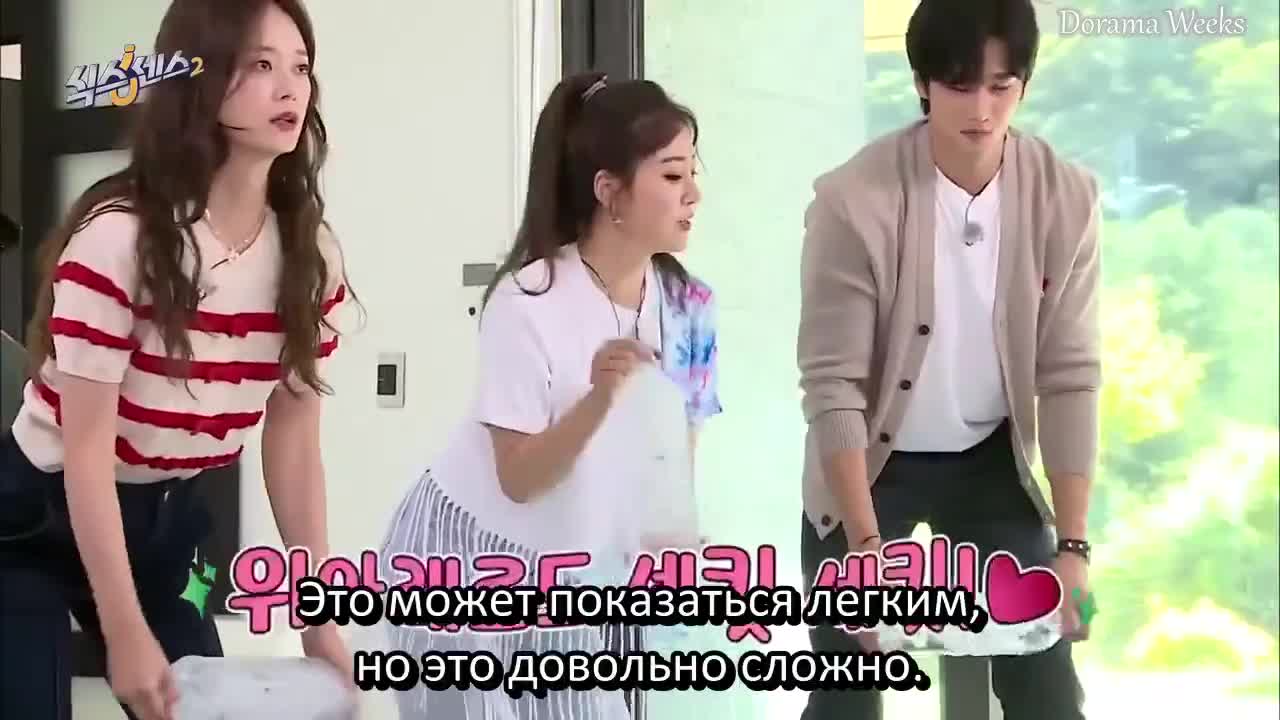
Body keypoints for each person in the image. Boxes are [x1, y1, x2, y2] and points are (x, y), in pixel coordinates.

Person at [0, 1, 357, 719]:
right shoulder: (119, 241)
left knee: (200, 708)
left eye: (300, 68)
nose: (289, 88)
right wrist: (123, 630)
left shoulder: (309, 257)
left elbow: (293, 440)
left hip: (168, 517)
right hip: (40, 513)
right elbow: (86, 450)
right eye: (260, 65)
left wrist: (317, 616)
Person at [376, 71, 721, 719]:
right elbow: (518, 478)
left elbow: (678, 460)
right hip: (464, 562)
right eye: (673, 175)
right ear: (610, 191)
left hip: (571, 571)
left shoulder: (690, 307)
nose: (693, 193)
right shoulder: (527, 299)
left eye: (693, 173)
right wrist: (599, 400)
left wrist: (674, 542)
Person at [795, 1, 1099, 718]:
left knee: (1047, 684)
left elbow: (1069, 374)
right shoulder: (853, 201)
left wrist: (1074, 546)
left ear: (1024, 84)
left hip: (991, 461)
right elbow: (834, 387)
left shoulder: (1066, 197)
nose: (982, 109)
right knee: (846, 687)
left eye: (1001, 85)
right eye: (960, 85)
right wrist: (865, 548)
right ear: (922, 84)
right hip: (871, 469)